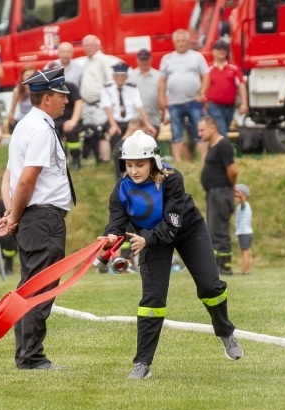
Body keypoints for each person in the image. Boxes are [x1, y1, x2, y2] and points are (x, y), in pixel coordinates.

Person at [101, 130, 243, 379]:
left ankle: (224, 331)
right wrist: (111, 236)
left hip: (186, 231)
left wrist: (147, 239)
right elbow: (117, 221)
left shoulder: (171, 178)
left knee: (211, 287)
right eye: (129, 164)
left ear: (153, 161)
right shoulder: (121, 189)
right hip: (150, 240)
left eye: (140, 164)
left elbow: (173, 222)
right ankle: (142, 364)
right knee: (152, 301)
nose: (134, 170)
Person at [0, 67, 75, 371]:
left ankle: (26, 354)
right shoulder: (41, 129)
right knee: (40, 288)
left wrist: (11, 212)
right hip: (42, 219)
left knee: (29, 285)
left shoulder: (25, 126)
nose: (66, 101)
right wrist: (14, 215)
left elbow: (9, 176)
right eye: (61, 95)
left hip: (31, 217)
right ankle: (31, 356)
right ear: (48, 98)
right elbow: (27, 179)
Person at [158, 28, 210, 162]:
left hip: (194, 101)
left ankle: (204, 159)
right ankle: (178, 160)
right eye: (178, 41)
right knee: (176, 132)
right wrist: (162, 98)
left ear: (188, 42)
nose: (181, 43)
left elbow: (206, 75)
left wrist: (202, 93)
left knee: (200, 131)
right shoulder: (167, 59)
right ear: (174, 42)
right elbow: (162, 80)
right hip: (174, 103)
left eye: (183, 40)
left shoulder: (197, 56)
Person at [101, 61, 156, 177]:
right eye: (117, 75)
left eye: (122, 75)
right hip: (114, 121)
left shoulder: (132, 88)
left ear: (126, 76)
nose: (120, 78)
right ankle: (118, 171)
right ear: (113, 76)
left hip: (129, 122)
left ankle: (133, 167)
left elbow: (139, 106)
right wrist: (114, 125)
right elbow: (108, 108)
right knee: (117, 145)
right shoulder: (107, 88)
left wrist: (147, 123)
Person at [198, 115, 237, 275]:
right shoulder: (212, 146)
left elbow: (233, 170)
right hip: (213, 193)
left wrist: (230, 187)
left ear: (212, 128)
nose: (200, 134)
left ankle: (225, 265)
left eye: (202, 130)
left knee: (220, 229)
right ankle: (215, 264)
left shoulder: (224, 145)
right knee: (213, 229)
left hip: (221, 192)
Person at [79, 35, 113, 164]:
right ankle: (95, 158)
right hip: (87, 104)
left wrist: (108, 102)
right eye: (86, 45)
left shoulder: (104, 60)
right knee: (90, 132)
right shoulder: (86, 61)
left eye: (91, 45)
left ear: (98, 46)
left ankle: (105, 160)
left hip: (100, 103)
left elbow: (110, 80)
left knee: (102, 132)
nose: (88, 48)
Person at [206, 39, 248, 137]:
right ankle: (224, 151)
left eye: (224, 49)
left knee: (224, 127)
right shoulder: (208, 68)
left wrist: (244, 103)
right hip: (213, 105)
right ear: (214, 51)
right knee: (221, 129)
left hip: (229, 107)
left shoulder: (234, 67)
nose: (221, 51)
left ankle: (217, 149)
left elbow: (241, 85)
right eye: (219, 49)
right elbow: (203, 85)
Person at [46, 61, 83, 171]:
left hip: (69, 120)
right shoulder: (46, 89)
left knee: (71, 132)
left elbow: (78, 103)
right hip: (53, 120)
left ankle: (76, 159)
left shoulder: (71, 86)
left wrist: (73, 121)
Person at [128, 49, 162, 136]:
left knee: (150, 147)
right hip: (135, 121)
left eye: (146, 59)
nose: (144, 62)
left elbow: (164, 96)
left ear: (150, 59)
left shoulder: (159, 76)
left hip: (153, 119)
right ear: (137, 60)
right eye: (141, 60)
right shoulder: (130, 77)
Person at [7, 64, 36, 132]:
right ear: (22, 76)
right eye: (27, 75)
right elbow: (12, 110)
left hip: (36, 118)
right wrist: (9, 122)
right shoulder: (17, 91)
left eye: (31, 75)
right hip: (23, 119)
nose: (29, 77)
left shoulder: (39, 90)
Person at [234, 183, 253, 275]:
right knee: (248, 252)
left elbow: (242, 199)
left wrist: (239, 193)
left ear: (244, 195)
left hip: (244, 232)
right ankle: (248, 270)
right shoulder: (243, 206)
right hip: (247, 232)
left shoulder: (243, 205)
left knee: (244, 252)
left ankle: (244, 270)